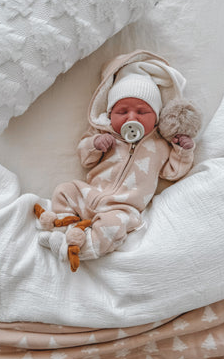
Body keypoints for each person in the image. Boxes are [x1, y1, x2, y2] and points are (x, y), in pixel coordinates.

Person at [34, 50, 201, 272]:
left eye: (142, 111)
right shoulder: (106, 135)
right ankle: (65, 229)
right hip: (90, 195)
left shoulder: (160, 145)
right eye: (122, 111)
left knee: (113, 227)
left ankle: (78, 248)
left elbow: (172, 173)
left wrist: (182, 151)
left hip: (123, 208)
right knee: (65, 190)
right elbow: (85, 158)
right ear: (110, 114)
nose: (132, 117)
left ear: (157, 117)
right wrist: (95, 144)